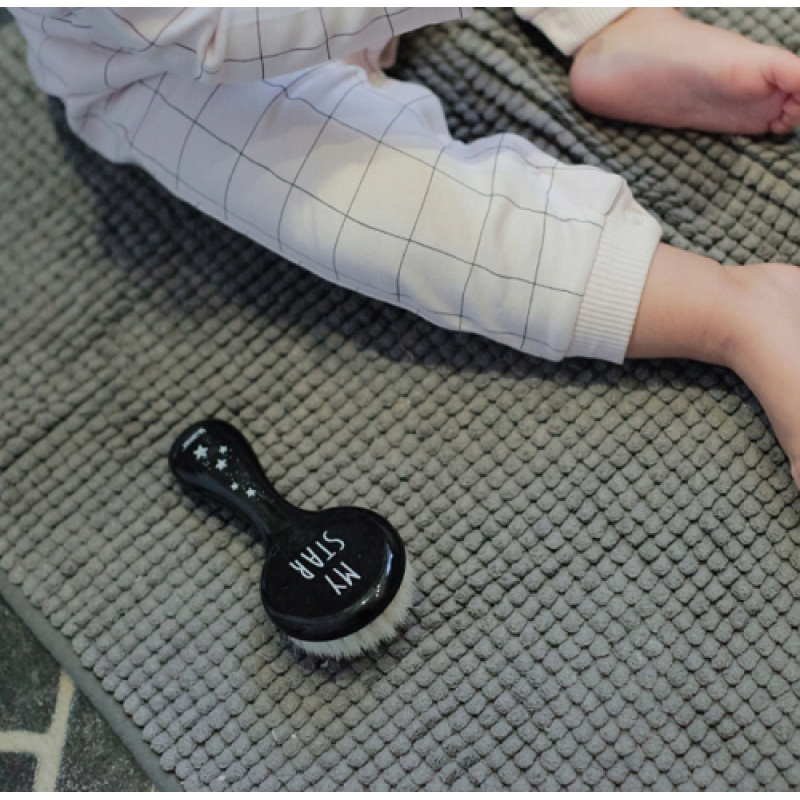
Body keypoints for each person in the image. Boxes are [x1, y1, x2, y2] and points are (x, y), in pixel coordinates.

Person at [9, 7, 800, 487]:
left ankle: (619, 25)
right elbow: (212, 27)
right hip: (162, 64)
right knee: (376, 212)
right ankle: (730, 308)